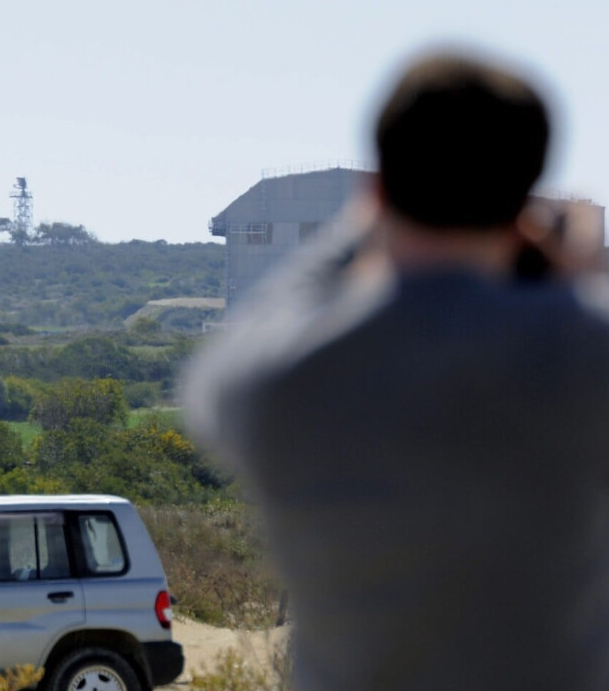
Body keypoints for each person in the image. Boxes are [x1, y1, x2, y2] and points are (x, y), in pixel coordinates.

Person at [182, 51, 609, 690]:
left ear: (379, 193)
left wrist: (359, 228)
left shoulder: (276, 381)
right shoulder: (584, 354)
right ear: (523, 201)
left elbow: (258, 322)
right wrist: (582, 274)